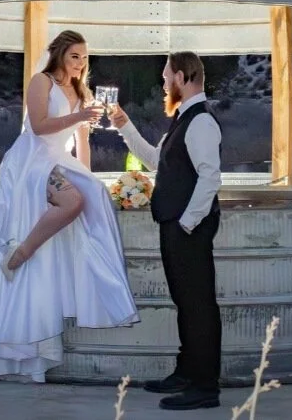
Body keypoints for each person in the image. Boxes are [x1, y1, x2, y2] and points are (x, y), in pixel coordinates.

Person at [0, 30, 139, 383]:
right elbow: (38, 126)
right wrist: (79, 118)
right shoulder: (42, 82)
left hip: (60, 161)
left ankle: (97, 283)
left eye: (84, 57)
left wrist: (90, 177)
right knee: (72, 200)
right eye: (74, 57)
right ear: (60, 57)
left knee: (90, 193)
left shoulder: (83, 93)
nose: (80, 64)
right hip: (31, 161)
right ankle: (18, 255)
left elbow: (82, 145)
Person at [109, 51, 223, 411]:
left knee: (199, 306)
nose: (162, 83)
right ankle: (187, 373)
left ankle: (204, 387)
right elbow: (157, 161)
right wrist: (125, 125)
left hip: (187, 228)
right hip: (176, 226)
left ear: (182, 77)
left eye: (165, 77)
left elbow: (210, 178)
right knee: (186, 304)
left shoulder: (201, 122)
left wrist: (187, 223)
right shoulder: (182, 119)